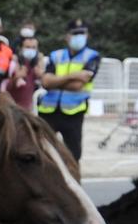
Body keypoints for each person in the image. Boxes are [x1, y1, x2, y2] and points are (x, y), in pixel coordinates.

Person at [37, 19, 100, 161]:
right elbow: (45, 82)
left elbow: (78, 85)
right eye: (75, 33)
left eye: (82, 33)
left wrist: (55, 80)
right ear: (67, 36)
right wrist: (74, 75)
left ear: (87, 35)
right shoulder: (56, 55)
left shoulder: (92, 56)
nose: (78, 36)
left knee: (73, 155)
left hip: (74, 112)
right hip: (48, 110)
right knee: (42, 151)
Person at [7, 31, 44, 111]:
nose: (30, 50)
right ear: (21, 48)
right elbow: (6, 87)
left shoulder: (39, 65)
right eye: (27, 47)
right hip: (14, 109)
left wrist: (41, 76)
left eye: (33, 48)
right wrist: (16, 78)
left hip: (31, 110)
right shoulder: (13, 63)